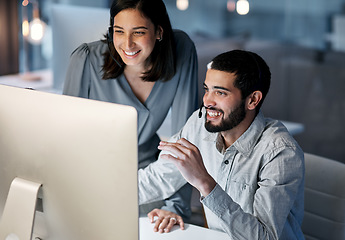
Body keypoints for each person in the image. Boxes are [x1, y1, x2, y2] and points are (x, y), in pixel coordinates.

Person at [138, 50, 305, 239]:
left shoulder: (281, 153)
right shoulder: (199, 124)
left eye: (220, 92)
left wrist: (205, 183)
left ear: (252, 100)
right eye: (207, 89)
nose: (207, 101)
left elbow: (264, 236)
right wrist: (106, 194)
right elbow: (157, 178)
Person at [63, 0, 198, 219]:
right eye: (119, 31)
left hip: (147, 172)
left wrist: (174, 207)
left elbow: (185, 139)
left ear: (159, 31)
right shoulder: (86, 59)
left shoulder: (181, 50)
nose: (127, 44)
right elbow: (66, 140)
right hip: (91, 174)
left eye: (138, 32)